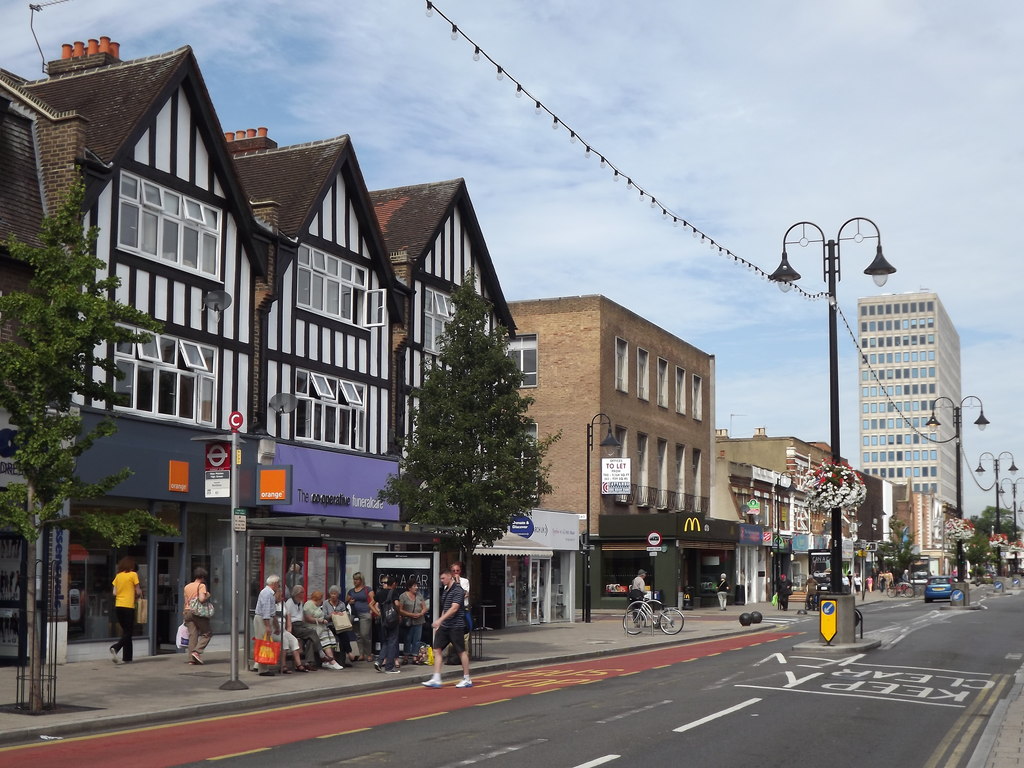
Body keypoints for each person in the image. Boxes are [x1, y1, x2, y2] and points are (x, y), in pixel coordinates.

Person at [422, 567, 472, 689]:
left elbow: (454, 608)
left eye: (443, 578)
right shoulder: (446, 590)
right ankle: (437, 677)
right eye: (440, 579)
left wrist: (440, 620)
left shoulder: (458, 590)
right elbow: (445, 607)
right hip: (445, 626)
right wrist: (440, 621)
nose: (441, 580)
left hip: (456, 626)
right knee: (437, 649)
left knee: (461, 651)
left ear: (450, 577)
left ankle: (467, 678)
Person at [110, 556, 141, 664]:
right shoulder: (133, 575)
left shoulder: (118, 576)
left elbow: (114, 592)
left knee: (126, 631)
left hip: (118, 606)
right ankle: (116, 647)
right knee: (128, 632)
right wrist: (137, 593)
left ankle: (127, 657)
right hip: (128, 606)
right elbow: (138, 591)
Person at [303, 590, 344, 669]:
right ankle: (332, 661)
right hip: (313, 627)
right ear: (317, 599)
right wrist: (320, 620)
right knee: (325, 637)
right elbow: (308, 618)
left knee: (330, 637)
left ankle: (328, 661)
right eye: (321, 599)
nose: (322, 601)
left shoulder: (317, 605)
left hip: (321, 626)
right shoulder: (308, 604)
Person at [286, 585, 323, 668]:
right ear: (297, 593)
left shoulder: (300, 602)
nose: (304, 594)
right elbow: (287, 617)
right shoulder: (289, 602)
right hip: (294, 626)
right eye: (302, 592)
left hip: (301, 625)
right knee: (312, 632)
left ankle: (309, 663)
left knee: (310, 639)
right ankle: (321, 652)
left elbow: (302, 616)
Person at [182, 566, 212, 665]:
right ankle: (197, 651)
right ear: (202, 577)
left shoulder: (187, 587)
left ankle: (191, 659)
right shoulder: (201, 586)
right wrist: (207, 594)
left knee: (192, 635)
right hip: (197, 612)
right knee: (207, 633)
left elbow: (186, 601)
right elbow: (202, 599)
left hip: (187, 611)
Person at [253, 574, 281, 676]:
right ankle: (263, 669)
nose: (279, 586)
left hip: (263, 619)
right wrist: (268, 626)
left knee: (262, 641)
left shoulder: (268, 593)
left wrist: (276, 625)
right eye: (278, 584)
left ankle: (258, 665)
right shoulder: (267, 593)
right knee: (263, 642)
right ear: (274, 584)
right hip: (262, 619)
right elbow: (266, 612)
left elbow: (271, 612)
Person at [324, 585, 357, 667]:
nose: (333, 596)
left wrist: (341, 614)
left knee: (343, 633)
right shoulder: (325, 603)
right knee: (341, 634)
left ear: (338, 594)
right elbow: (324, 616)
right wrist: (331, 615)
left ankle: (343, 659)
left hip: (340, 625)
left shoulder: (342, 604)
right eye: (331, 594)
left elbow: (345, 615)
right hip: (329, 625)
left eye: (335, 594)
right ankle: (349, 653)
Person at [375, 576, 402, 674]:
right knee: (392, 642)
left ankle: (379, 661)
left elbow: (371, 604)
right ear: (394, 584)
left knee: (386, 642)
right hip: (392, 620)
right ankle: (389, 667)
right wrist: (398, 614)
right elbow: (397, 604)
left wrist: (378, 612)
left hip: (383, 620)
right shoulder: (393, 592)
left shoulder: (380, 593)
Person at [346, 572, 374, 662]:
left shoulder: (367, 589)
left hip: (365, 613)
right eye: (354, 579)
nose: (355, 581)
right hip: (354, 614)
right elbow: (345, 602)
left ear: (361, 580)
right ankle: (361, 654)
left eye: (357, 579)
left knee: (364, 634)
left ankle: (368, 654)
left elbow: (374, 600)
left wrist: (372, 610)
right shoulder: (351, 591)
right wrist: (350, 602)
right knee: (358, 635)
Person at [399, 579, 427, 664]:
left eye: (417, 586)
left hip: (419, 620)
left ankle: (415, 657)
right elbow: (400, 609)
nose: (416, 587)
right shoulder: (403, 596)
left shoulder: (419, 595)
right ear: (409, 587)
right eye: (414, 586)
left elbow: (424, 607)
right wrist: (410, 614)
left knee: (417, 639)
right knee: (407, 638)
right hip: (408, 621)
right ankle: (406, 656)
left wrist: (421, 613)